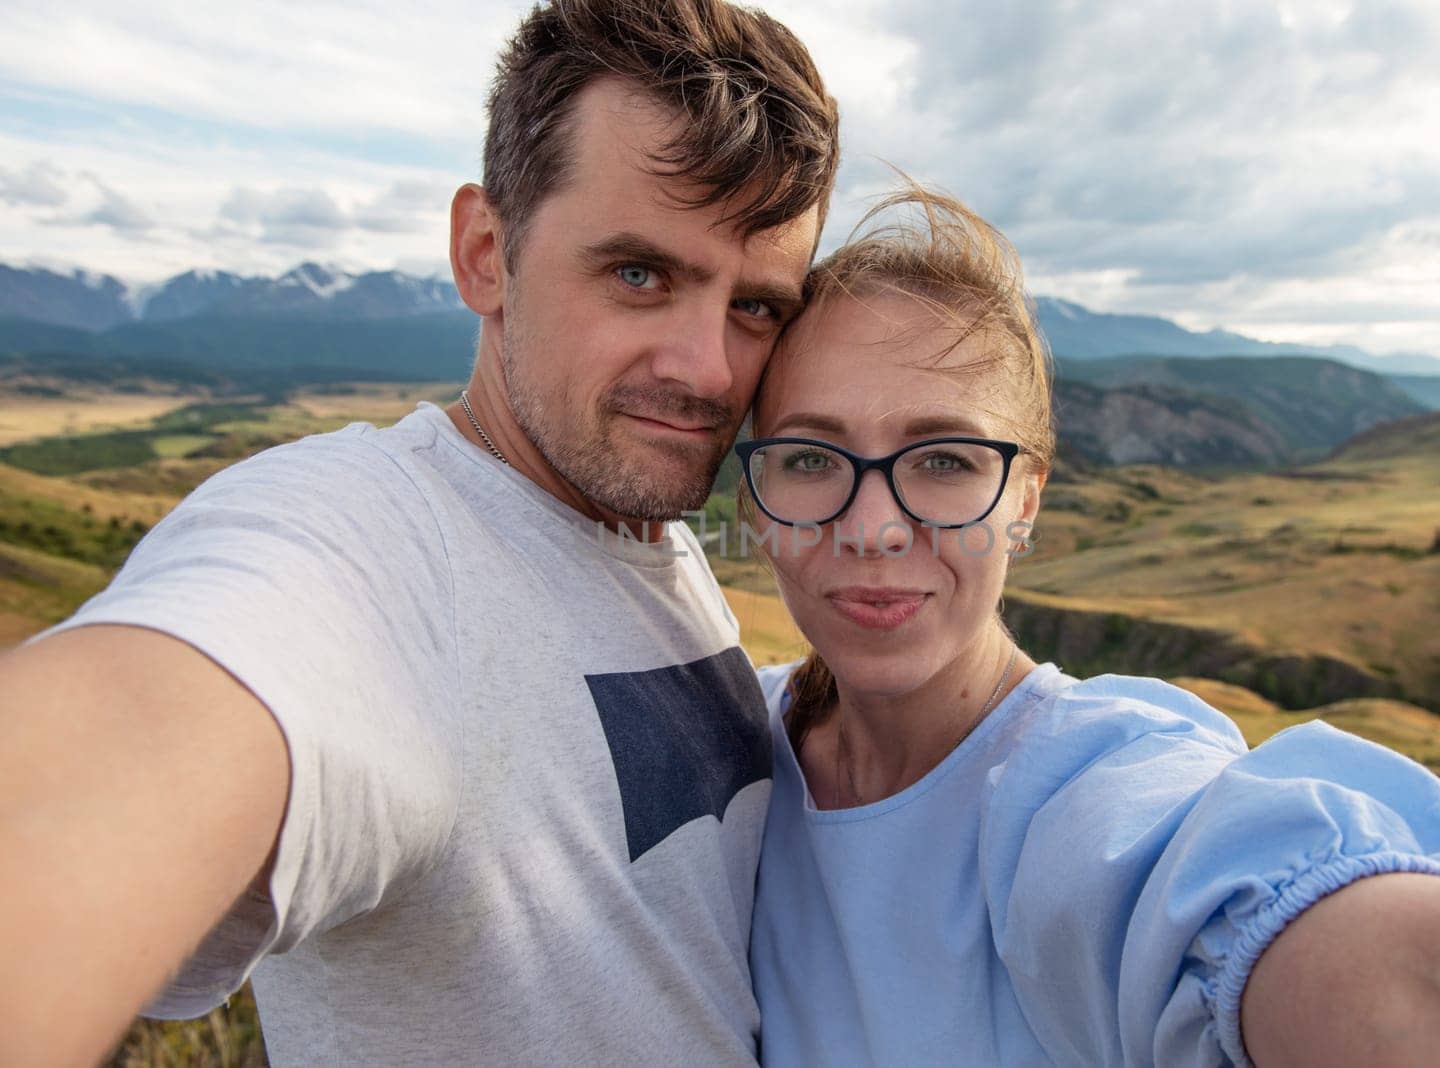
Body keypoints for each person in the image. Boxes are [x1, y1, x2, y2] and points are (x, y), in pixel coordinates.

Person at [0, 1, 838, 1064]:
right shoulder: (366, 545)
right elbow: (92, 780)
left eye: (754, 307)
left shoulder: (628, 518)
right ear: (486, 253)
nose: (707, 369)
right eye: (639, 274)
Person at [739, 188, 1440, 1067]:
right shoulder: (729, 744)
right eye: (809, 457)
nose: (875, 525)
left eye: (946, 461)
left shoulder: (1085, 793)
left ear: (1026, 501)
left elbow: (1420, 992)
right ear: (754, 494)